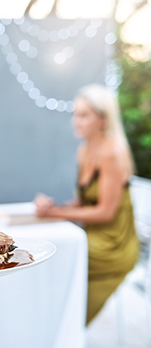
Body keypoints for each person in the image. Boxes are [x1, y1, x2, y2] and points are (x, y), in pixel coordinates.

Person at [34, 84, 140, 325]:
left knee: (54, 254)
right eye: (75, 114)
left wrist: (56, 213)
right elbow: (84, 202)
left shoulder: (112, 153)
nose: (76, 121)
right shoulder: (84, 151)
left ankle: (57, 328)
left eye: (84, 115)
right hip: (92, 236)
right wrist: (55, 207)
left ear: (103, 119)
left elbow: (104, 212)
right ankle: (48, 324)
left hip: (113, 245)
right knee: (52, 256)